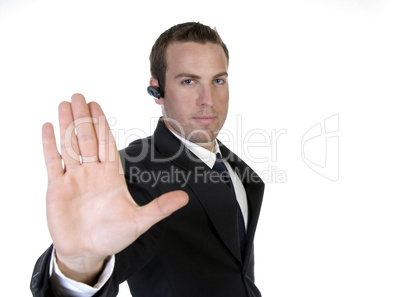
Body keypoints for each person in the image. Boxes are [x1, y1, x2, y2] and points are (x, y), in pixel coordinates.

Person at [30, 22, 265, 297]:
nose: (207, 99)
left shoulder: (234, 167)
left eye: (218, 80)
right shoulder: (133, 171)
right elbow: (108, 245)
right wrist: (78, 266)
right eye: (188, 81)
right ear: (157, 90)